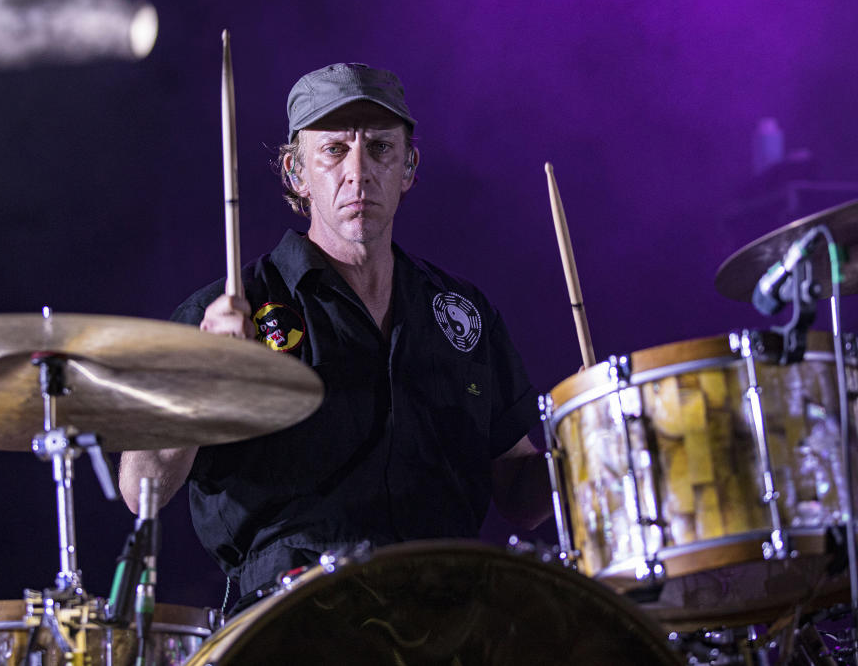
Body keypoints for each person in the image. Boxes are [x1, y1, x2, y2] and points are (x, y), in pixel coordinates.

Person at [118, 62, 550, 611]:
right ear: (296, 173)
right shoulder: (225, 310)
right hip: (294, 615)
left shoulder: (461, 312)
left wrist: (587, 443)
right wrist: (200, 378)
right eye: (334, 150)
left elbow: (520, 494)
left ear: (409, 168)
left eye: (380, 149)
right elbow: (141, 490)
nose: (359, 171)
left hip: (448, 608)